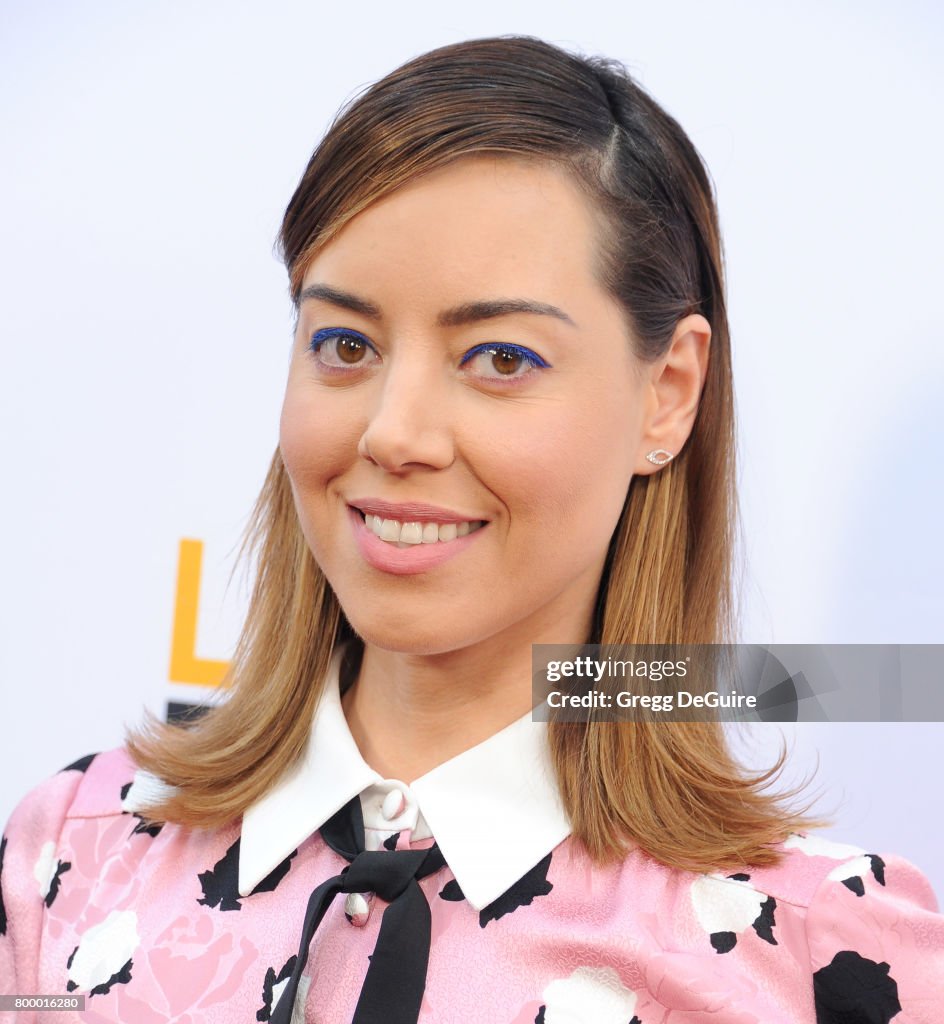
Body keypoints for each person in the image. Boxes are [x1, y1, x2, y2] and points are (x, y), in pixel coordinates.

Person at [1, 34, 941, 1024]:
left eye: (498, 357)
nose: (392, 432)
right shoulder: (74, 854)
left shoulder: (825, 954)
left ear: (666, 395)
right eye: (345, 343)